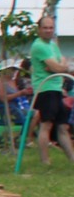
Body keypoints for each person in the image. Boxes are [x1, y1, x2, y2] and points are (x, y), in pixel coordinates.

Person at [30, 17, 74, 168]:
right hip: (45, 89)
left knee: (63, 127)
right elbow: (58, 68)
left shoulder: (53, 45)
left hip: (56, 89)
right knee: (46, 125)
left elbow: (62, 63)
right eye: (45, 28)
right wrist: (59, 67)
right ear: (39, 30)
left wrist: (59, 66)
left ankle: (72, 159)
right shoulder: (39, 46)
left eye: (51, 28)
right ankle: (45, 162)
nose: (48, 30)